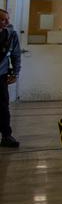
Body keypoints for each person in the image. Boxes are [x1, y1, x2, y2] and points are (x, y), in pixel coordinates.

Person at [0, 8, 20, 149]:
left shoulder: (11, 35)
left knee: (3, 107)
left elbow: (16, 55)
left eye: (7, 19)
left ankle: (6, 136)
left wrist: (15, 73)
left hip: (1, 76)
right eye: (3, 19)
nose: (7, 22)